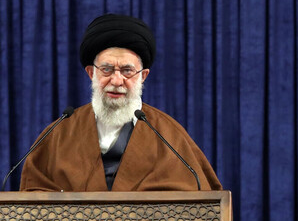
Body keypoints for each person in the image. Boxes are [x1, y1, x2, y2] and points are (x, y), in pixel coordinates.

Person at [20, 13, 222, 192]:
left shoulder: (170, 135)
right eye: (106, 69)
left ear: (143, 76)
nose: (117, 81)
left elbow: (203, 206)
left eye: (127, 71)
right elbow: (32, 200)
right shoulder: (58, 134)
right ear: (91, 73)